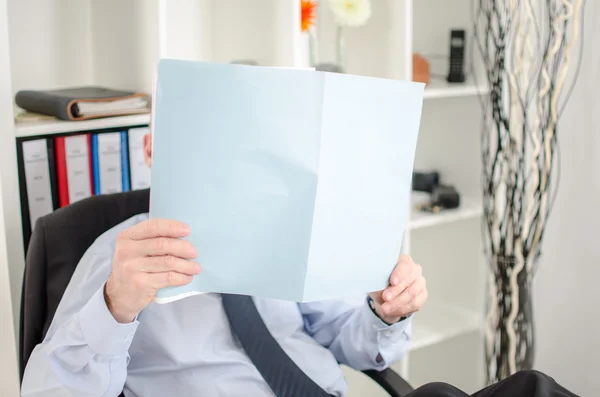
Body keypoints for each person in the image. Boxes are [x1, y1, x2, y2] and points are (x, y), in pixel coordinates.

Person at [21, 133, 577, 397]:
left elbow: (353, 342)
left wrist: (386, 313)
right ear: (152, 149)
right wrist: (115, 307)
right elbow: (51, 392)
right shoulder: (116, 252)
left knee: (527, 390)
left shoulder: (283, 231)